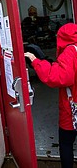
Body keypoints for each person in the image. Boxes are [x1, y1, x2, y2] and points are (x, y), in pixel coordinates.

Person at [24, 23, 77, 168]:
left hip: (71, 108)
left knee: (66, 143)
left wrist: (36, 61)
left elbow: (59, 77)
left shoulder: (70, 51)